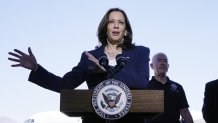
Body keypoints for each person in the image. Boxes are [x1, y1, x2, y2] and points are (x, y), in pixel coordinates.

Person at [8, 8, 150, 123]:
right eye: (111, 21)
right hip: (94, 119)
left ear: (126, 29)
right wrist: (36, 68)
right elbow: (65, 85)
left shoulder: (140, 52)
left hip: (131, 119)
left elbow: (142, 82)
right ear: (105, 28)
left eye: (121, 22)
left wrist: (105, 71)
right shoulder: (90, 56)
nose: (116, 25)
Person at [145, 53, 193, 123]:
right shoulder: (145, 87)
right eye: (159, 60)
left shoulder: (178, 87)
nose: (162, 63)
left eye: (165, 61)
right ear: (152, 66)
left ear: (168, 66)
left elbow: (184, 111)